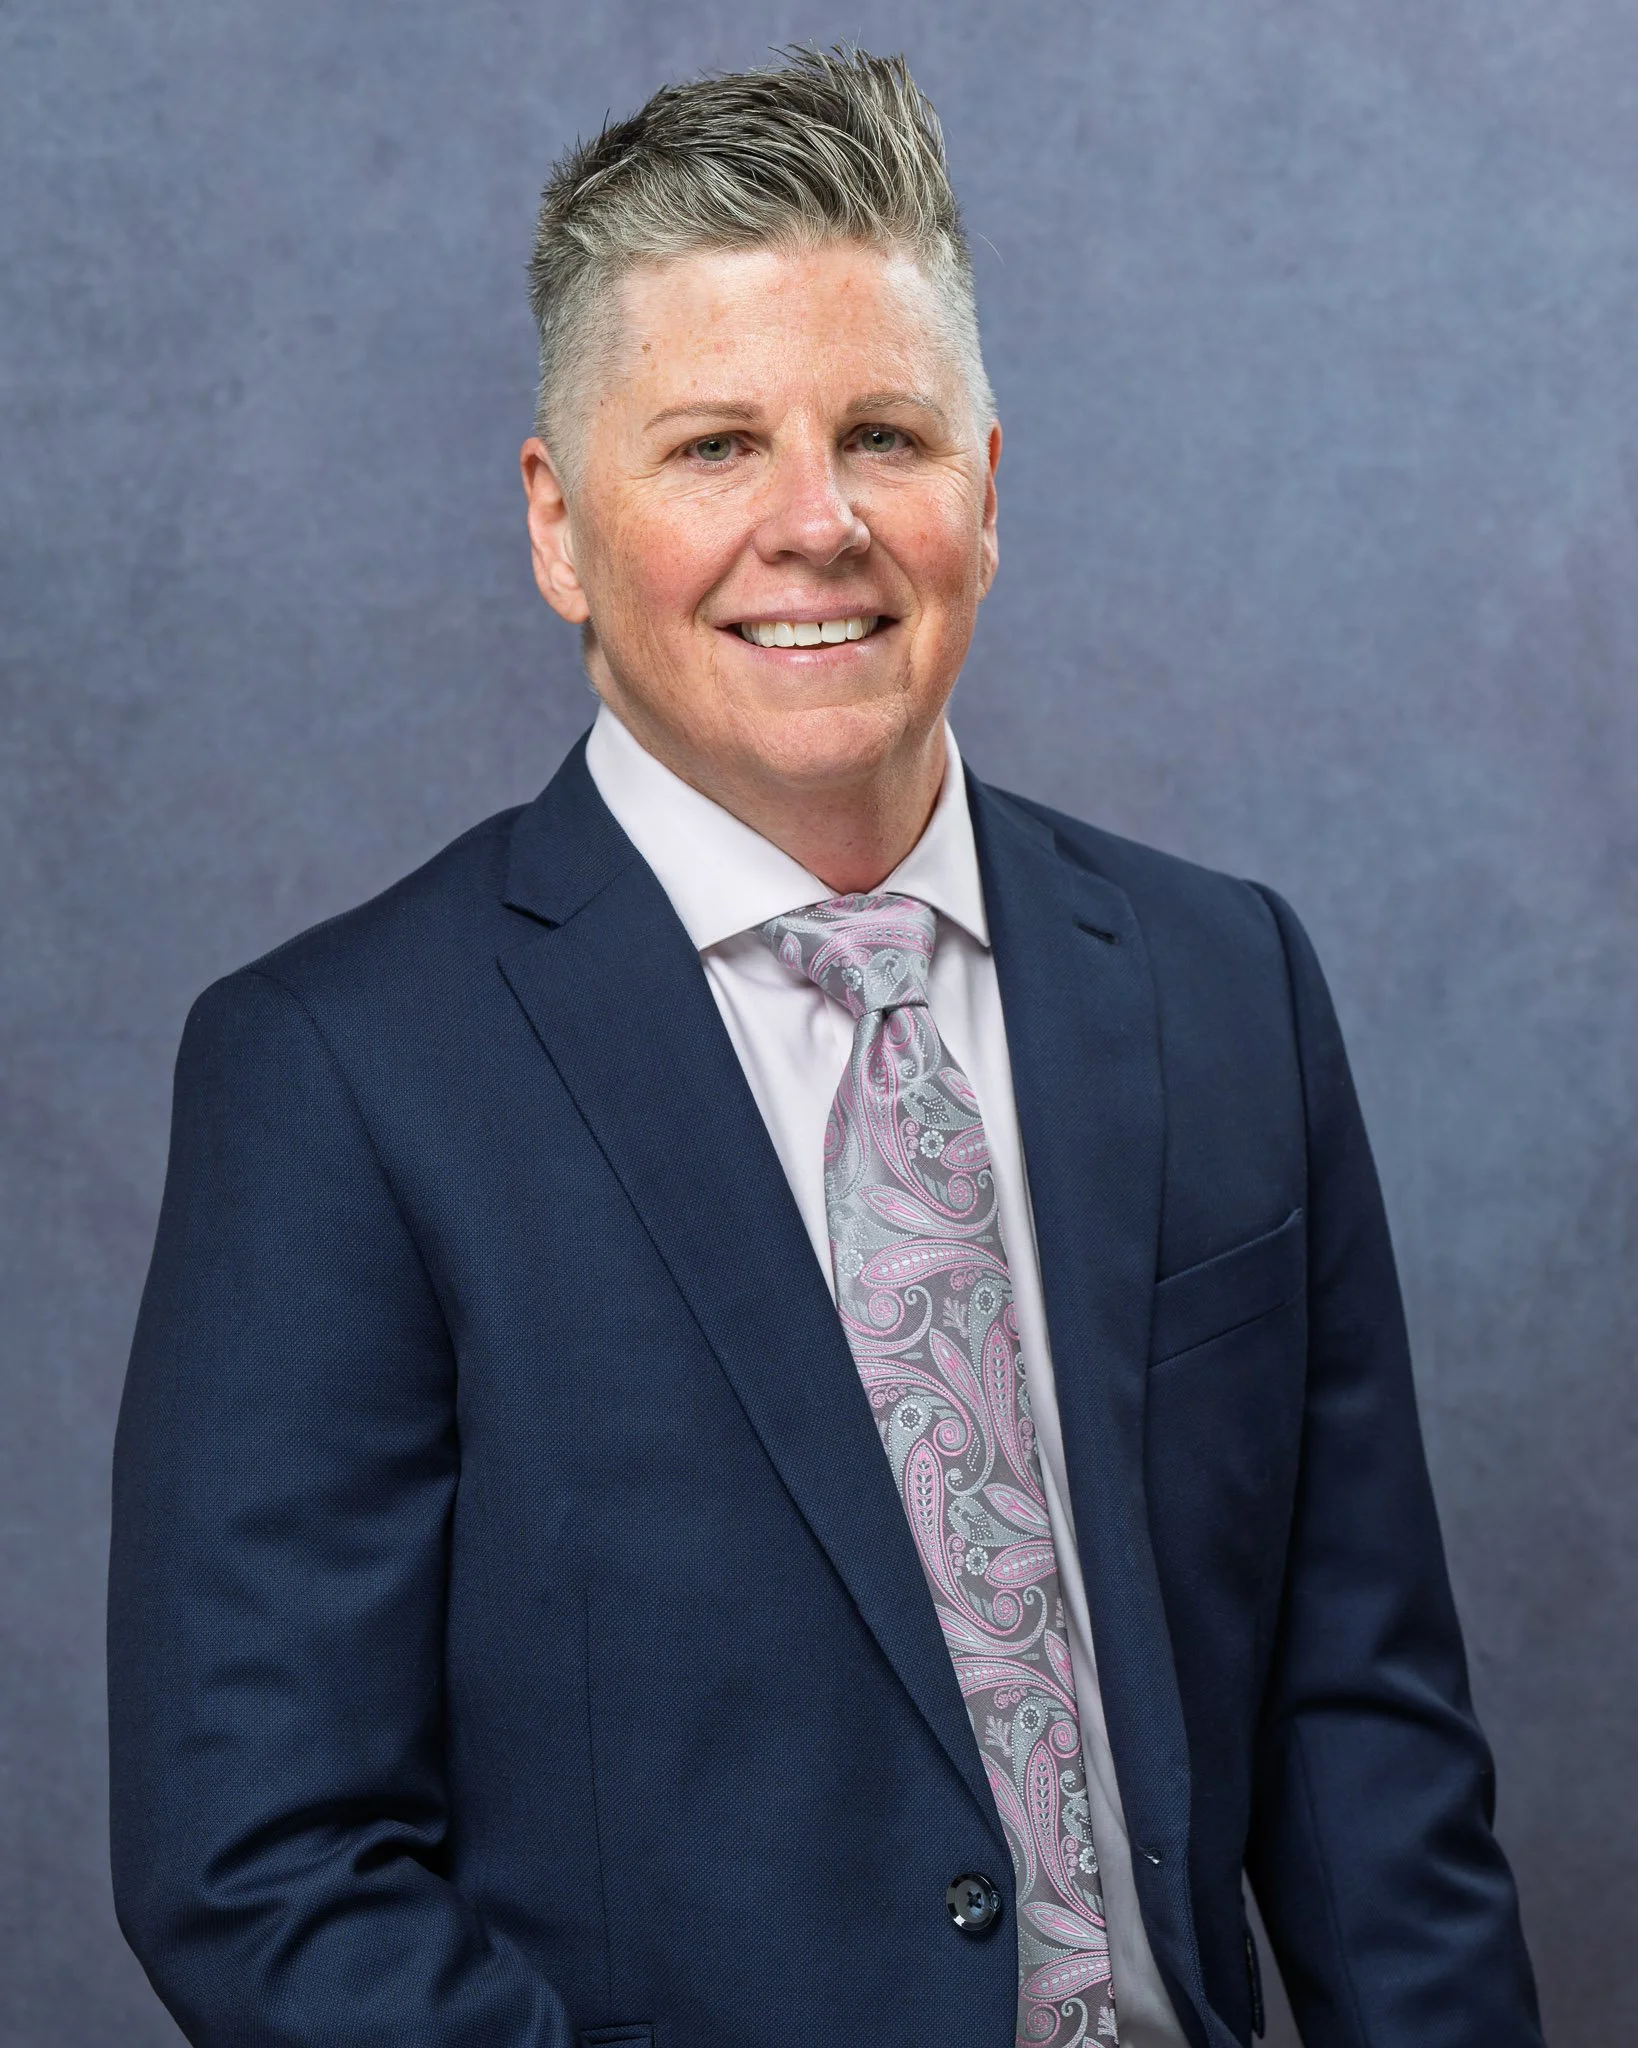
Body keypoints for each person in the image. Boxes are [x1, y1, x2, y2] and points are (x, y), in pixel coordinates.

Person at [108, 46, 1544, 2048]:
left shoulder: (1224, 988)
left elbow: (1369, 1747)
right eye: (711, 446)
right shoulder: (340, 1076)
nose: (818, 524)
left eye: (884, 431)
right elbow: (265, 1862)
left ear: (986, 487)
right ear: (557, 524)